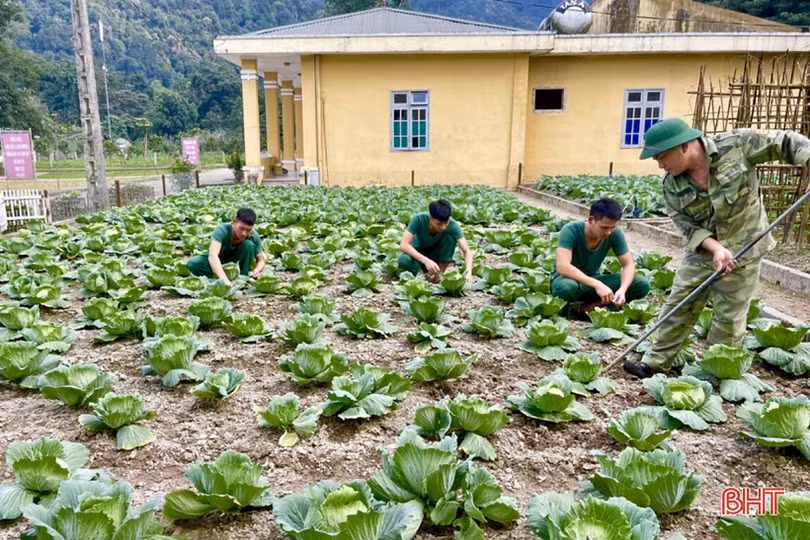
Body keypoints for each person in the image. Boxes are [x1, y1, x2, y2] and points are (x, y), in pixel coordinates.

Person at [623, 118, 810, 379]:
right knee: (680, 302)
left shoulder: (738, 144)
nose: (661, 165)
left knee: (729, 316)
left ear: (685, 146)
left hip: (746, 245)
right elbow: (687, 226)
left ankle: (715, 373)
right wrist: (716, 249)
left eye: (663, 157)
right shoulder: (672, 186)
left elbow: (785, 142)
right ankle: (655, 363)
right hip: (704, 249)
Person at [551, 197, 650, 318]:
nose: (608, 232)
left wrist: (622, 290)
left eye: (612, 227)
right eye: (604, 227)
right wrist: (597, 284)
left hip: (593, 281)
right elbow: (563, 267)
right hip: (567, 280)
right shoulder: (571, 230)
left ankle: (589, 309)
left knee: (641, 284)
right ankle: (564, 312)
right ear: (591, 220)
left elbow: (628, 265)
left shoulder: (615, 233)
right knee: (567, 287)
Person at [398, 199, 475, 284]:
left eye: (446, 223)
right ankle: (421, 275)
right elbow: (404, 245)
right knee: (404, 260)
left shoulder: (453, 225)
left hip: (435, 258)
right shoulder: (418, 219)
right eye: (439, 224)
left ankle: (439, 275)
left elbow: (466, 251)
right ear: (430, 218)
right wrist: (425, 260)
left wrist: (468, 273)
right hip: (418, 257)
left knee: (450, 238)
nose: (443, 227)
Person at [186, 208, 266, 286]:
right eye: (241, 228)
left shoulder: (253, 235)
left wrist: (257, 270)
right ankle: (217, 278)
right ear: (234, 222)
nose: (244, 233)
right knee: (193, 264)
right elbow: (213, 256)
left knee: (248, 245)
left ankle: (242, 278)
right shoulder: (221, 230)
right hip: (218, 260)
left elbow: (261, 260)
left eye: (248, 230)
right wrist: (224, 279)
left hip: (237, 263)